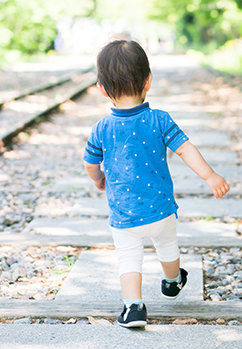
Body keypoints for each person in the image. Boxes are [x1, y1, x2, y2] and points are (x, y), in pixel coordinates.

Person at [83, 39, 230, 328]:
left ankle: (134, 308)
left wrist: (98, 177)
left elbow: (90, 164)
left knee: (128, 258)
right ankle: (172, 281)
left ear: (102, 89)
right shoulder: (159, 120)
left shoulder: (101, 128)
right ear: (148, 81)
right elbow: (186, 148)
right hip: (161, 210)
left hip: (124, 216)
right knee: (167, 247)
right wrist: (210, 176)